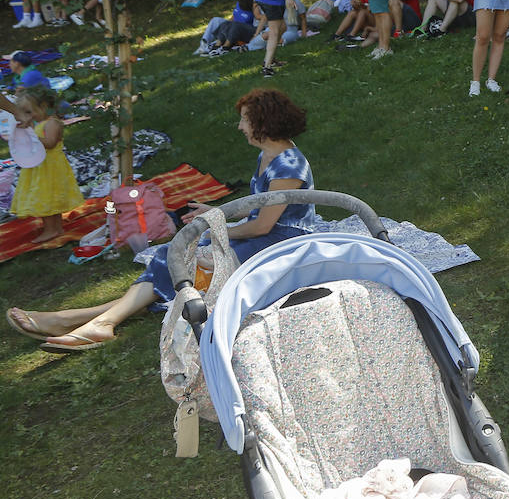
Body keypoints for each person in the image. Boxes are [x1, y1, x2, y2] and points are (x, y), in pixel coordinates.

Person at [6, 89, 319, 353]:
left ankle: (89, 320)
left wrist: (214, 224)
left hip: (278, 244)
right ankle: (89, 320)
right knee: (173, 254)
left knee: (180, 254)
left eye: (245, 120)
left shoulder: (288, 166)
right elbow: (258, 206)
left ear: (263, 124)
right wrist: (216, 211)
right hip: (262, 234)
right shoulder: (269, 155)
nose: (240, 127)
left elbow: (265, 225)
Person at [9, 87, 83, 246]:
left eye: (29, 112)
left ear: (42, 107)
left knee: (46, 198)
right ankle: (55, 227)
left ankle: (52, 229)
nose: (27, 117)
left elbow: (50, 143)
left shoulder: (52, 123)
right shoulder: (39, 124)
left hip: (50, 169)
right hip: (39, 168)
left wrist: (31, 137)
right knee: (47, 198)